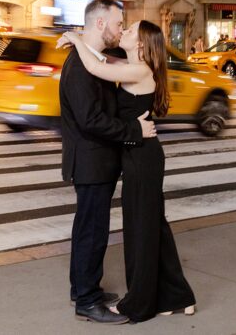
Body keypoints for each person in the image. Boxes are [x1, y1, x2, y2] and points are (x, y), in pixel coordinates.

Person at [60, 20, 196, 323]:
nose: (124, 31)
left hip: (142, 158)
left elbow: (97, 68)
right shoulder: (132, 63)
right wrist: (84, 43)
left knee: (141, 231)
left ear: (143, 44)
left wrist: (75, 37)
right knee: (153, 226)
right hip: (138, 155)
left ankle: (138, 303)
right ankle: (178, 297)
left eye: (130, 30)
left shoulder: (140, 70)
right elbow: (102, 59)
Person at [56, 0, 156, 325]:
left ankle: (84, 289)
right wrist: (134, 130)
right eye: (117, 23)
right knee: (92, 232)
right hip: (91, 162)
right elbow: (90, 120)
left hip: (96, 161)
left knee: (89, 229)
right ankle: (87, 301)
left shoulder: (91, 60)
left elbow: (106, 65)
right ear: (100, 24)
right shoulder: (78, 67)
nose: (119, 29)